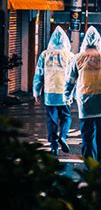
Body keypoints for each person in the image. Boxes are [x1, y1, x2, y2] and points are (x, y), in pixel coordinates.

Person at [65, 26, 101, 166]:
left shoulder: (79, 58)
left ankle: (90, 165)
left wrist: (67, 96)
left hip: (85, 101)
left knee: (87, 136)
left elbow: (70, 79)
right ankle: (99, 163)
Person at [33, 26, 74, 156]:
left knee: (52, 120)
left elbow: (39, 74)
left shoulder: (45, 54)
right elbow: (74, 76)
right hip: (65, 92)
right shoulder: (70, 56)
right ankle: (63, 136)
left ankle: (54, 146)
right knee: (66, 117)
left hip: (50, 92)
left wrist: (36, 91)